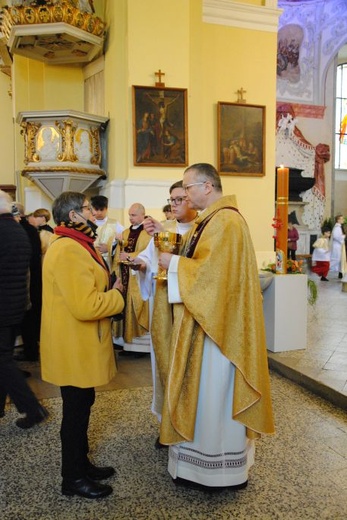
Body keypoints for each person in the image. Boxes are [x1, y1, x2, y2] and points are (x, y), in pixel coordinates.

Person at [153, 163, 274, 490]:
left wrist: (173, 263)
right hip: (205, 323)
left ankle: (217, 471)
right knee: (205, 395)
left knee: (214, 395)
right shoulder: (209, 220)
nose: (186, 194)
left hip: (219, 333)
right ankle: (195, 465)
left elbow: (213, 278)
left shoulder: (227, 222)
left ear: (207, 186)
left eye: (189, 187)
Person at [40, 191, 125, 499]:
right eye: (88, 209)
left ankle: (81, 463)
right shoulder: (68, 250)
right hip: (73, 346)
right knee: (75, 414)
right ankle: (72, 478)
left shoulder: (77, 244)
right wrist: (116, 295)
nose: (93, 213)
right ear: (73, 216)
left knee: (82, 406)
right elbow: (85, 305)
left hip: (79, 344)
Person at [133, 181, 197, 426]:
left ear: (192, 199)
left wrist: (163, 235)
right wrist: (140, 265)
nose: (175, 204)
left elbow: (199, 267)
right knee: (163, 361)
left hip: (189, 309)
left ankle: (188, 422)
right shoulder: (166, 227)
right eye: (172, 199)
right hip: (162, 308)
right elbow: (150, 259)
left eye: (180, 199)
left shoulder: (202, 228)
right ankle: (166, 424)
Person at [0, 190, 48, 427]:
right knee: (4, 357)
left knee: (2, 360)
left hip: (2, 305)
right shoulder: (19, 230)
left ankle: (33, 408)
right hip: (15, 304)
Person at [111, 203, 151, 354]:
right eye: (129, 215)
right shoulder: (126, 232)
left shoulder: (148, 233)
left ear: (142, 215)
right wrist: (115, 244)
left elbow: (147, 254)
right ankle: (127, 345)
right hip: (125, 274)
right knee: (125, 306)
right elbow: (118, 252)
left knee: (137, 308)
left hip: (138, 277)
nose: (130, 218)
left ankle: (141, 347)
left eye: (133, 215)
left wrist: (130, 256)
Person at [14, 203, 43, 362]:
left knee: (26, 318)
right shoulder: (31, 229)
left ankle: (30, 351)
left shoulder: (19, 230)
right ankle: (31, 349)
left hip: (25, 280)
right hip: (35, 279)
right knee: (30, 318)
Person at [91, 195, 124, 268]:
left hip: (109, 263)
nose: (99, 213)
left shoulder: (115, 224)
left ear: (106, 209)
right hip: (92, 261)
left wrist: (109, 247)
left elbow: (123, 243)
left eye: (102, 209)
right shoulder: (88, 225)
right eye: (96, 209)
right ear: (92, 209)